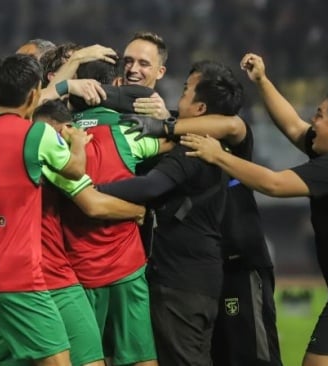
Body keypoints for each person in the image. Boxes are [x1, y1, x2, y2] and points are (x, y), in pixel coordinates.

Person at [180, 52, 328, 366]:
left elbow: (274, 185)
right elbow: (292, 126)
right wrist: (262, 81)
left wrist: (218, 155)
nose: (313, 121)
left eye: (320, 115)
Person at [0, 54, 92, 366]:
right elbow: (76, 170)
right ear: (35, 94)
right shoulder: (37, 135)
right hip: (16, 276)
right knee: (58, 361)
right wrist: (78, 142)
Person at [97, 60, 241, 365]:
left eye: (187, 91)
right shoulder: (210, 142)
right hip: (196, 276)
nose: (180, 95)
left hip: (181, 281)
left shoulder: (193, 146)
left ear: (200, 108)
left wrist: (90, 190)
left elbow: (152, 186)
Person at [0, 100, 146, 366]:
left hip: (8, 279)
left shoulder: (2, 153)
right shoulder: (50, 160)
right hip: (50, 277)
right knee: (90, 359)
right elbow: (92, 204)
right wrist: (138, 211)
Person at [61, 59, 173, 366]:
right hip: (127, 266)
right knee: (140, 358)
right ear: (115, 87)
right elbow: (171, 142)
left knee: (91, 359)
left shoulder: (58, 135)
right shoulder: (127, 131)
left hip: (79, 270)